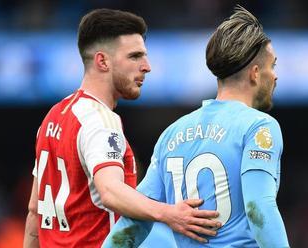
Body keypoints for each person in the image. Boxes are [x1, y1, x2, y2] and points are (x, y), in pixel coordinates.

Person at [23, 8, 221, 248]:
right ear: (102, 61)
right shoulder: (99, 120)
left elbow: (35, 210)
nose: (146, 66)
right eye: (135, 56)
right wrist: (169, 214)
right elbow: (110, 191)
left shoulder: (54, 117)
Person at [103, 5, 290, 248]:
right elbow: (258, 209)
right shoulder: (259, 127)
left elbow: (133, 224)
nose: (275, 76)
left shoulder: (171, 134)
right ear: (255, 73)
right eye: (272, 66)